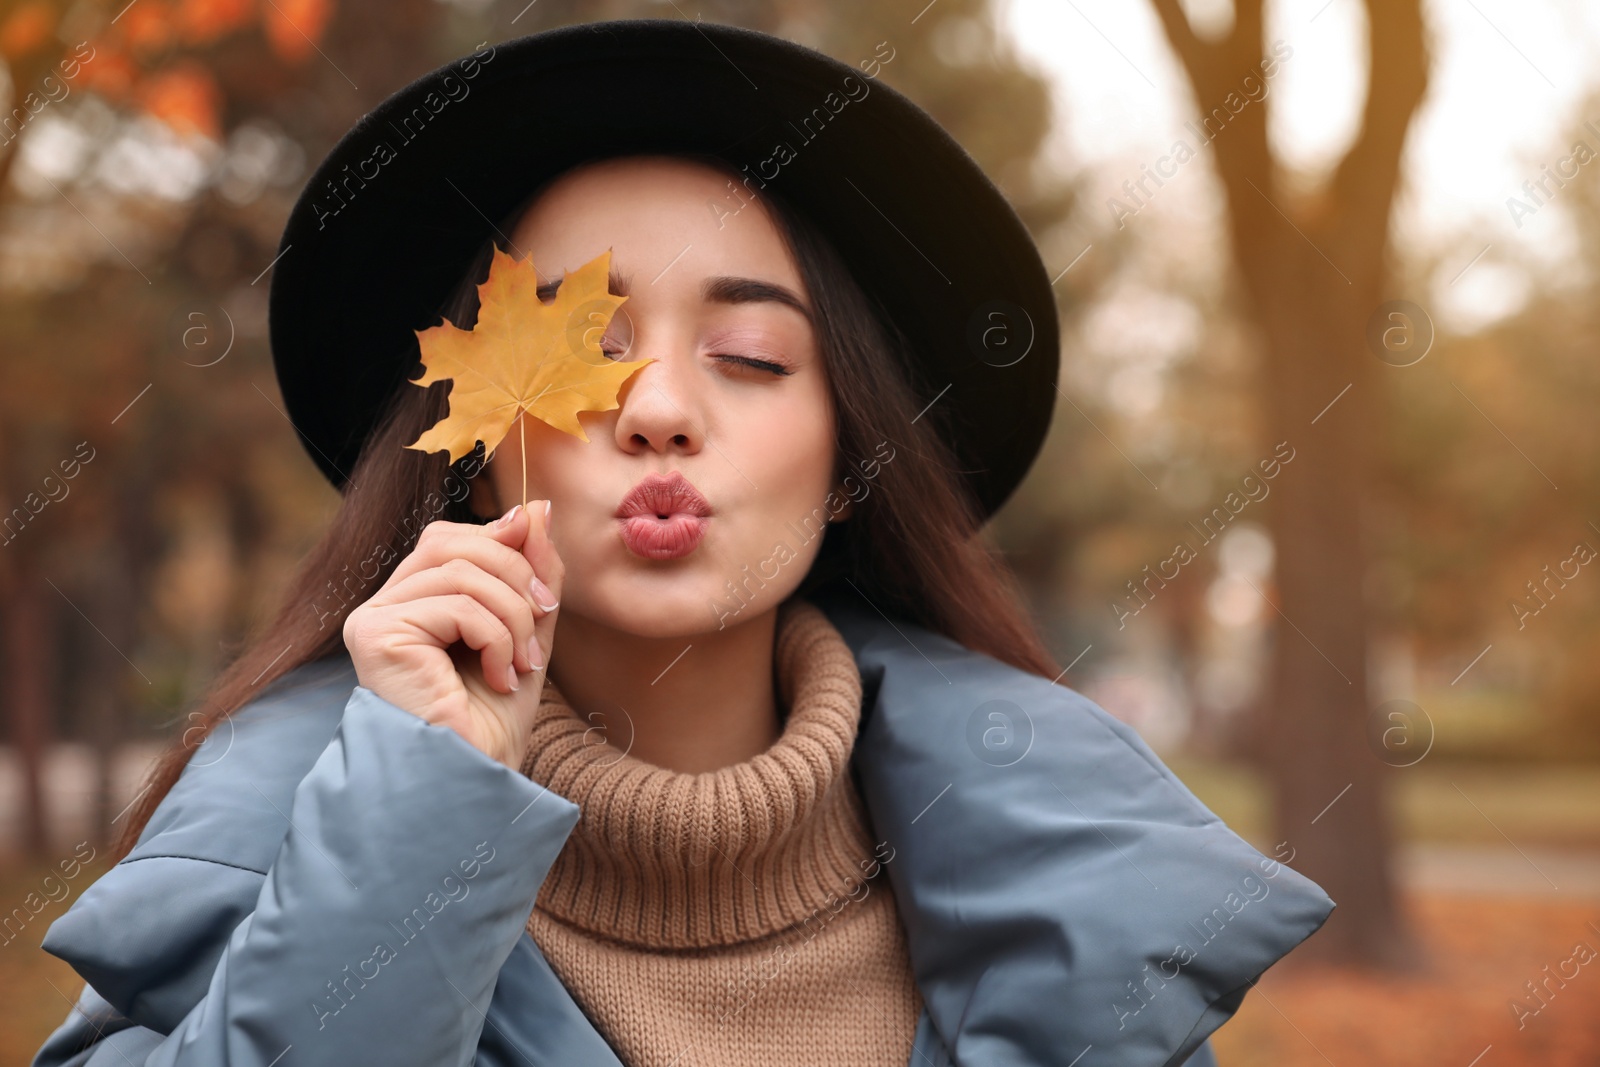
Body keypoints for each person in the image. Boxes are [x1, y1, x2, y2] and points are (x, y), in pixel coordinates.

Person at [32, 19, 1333, 1067]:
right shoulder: (261, 844)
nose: (657, 408)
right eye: (580, 355)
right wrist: (414, 814)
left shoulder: (1076, 906)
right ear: (474, 448)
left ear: (847, 464)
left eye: (752, 355)